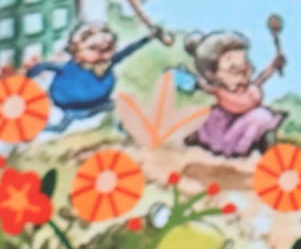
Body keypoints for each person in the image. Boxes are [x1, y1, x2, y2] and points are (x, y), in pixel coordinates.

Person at [24, 21, 157, 133]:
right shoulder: (69, 68)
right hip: (70, 108)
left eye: (107, 49)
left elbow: (128, 51)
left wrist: (147, 39)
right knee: (59, 128)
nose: (101, 54)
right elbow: (45, 67)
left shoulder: (105, 66)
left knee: (122, 104)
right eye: (93, 48)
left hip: (96, 105)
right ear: (77, 51)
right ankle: (33, 128)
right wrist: (27, 77)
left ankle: (125, 128)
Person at [180, 30, 287, 157]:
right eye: (233, 70)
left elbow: (260, 79)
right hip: (224, 123)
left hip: (245, 121)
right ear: (212, 74)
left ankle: (255, 147)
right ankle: (206, 140)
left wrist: (273, 66)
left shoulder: (248, 89)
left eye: (245, 69)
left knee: (261, 118)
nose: (242, 77)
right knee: (219, 122)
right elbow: (197, 84)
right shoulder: (218, 90)